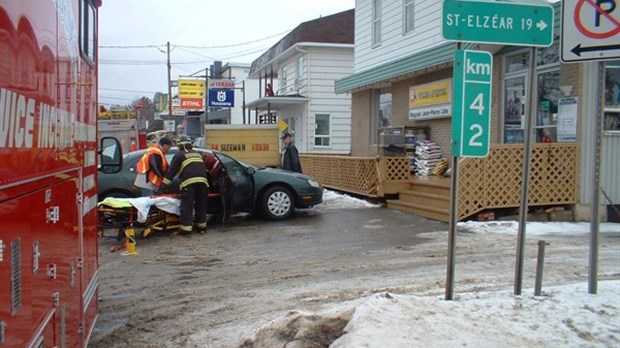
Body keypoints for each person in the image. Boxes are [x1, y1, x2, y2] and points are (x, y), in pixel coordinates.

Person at [161, 136, 210, 235]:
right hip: (203, 183)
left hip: (189, 183)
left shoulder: (179, 155)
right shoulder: (197, 154)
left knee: (187, 206)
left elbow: (171, 173)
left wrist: (162, 188)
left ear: (180, 146)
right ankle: (201, 227)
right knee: (201, 205)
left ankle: (186, 229)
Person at [205, 153, 232, 225]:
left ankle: (224, 219)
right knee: (224, 200)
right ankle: (224, 220)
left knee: (224, 199)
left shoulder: (219, 170)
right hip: (222, 182)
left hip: (221, 183)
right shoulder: (212, 161)